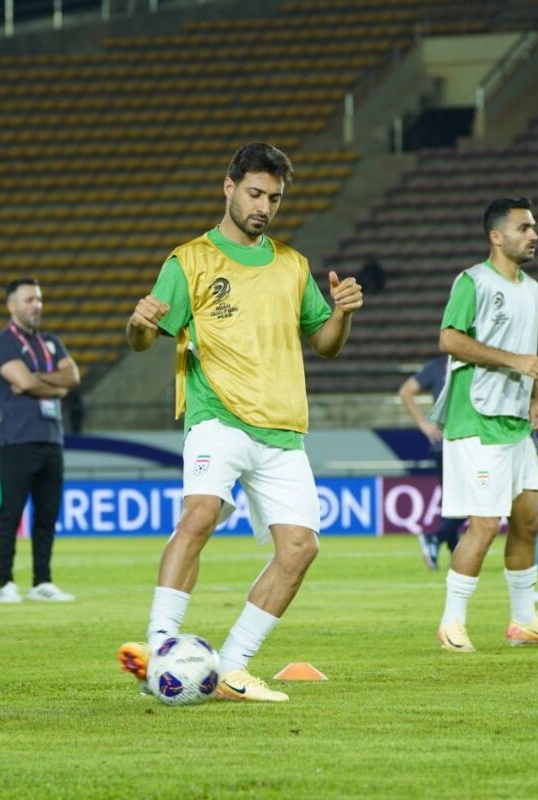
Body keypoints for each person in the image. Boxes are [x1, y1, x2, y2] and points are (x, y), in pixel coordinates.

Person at [117, 142, 363, 702]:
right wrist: (138, 321)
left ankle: (230, 668)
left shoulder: (292, 265)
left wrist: (342, 314)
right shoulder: (190, 261)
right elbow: (141, 340)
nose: (264, 207)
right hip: (217, 415)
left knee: (300, 548)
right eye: (255, 193)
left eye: (274, 198)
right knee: (200, 513)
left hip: (282, 429)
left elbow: (325, 345)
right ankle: (161, 650)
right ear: (228, 188)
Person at [434, 197, 538, 653]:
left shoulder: (531, 288)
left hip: (514, 420)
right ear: (497, 236)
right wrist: (517, 362)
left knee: (529, 519)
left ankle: (523, 621)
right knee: (484, 524)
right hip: (475, 418)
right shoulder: (472, 281)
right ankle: (451, 623)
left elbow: (524, 350)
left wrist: (535, 395)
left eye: (534, 227)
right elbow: (449, 339)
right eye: (524, 227)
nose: (534, 235)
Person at [0, 278, 81, 604]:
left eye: (38, 299)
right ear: (11, 305)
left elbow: (73, 378)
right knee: (11, 512)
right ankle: (4, 582)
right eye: (28, 300)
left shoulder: (51, 341)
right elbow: (23, 383)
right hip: (17, 440)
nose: (36, 305)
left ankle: (42, 580)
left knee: (46, 515)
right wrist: (50, 385)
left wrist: (40, 381)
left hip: (52, 439)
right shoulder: (1, 343)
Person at [397, 356, 464, 569]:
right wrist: (424, 424)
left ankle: (456, 554)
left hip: (465, 440)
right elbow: (406, 391)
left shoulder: (471, 361)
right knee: (466, 499)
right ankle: (435, 538)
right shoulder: (437, 367)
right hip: (449, 442)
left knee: (454, 502)